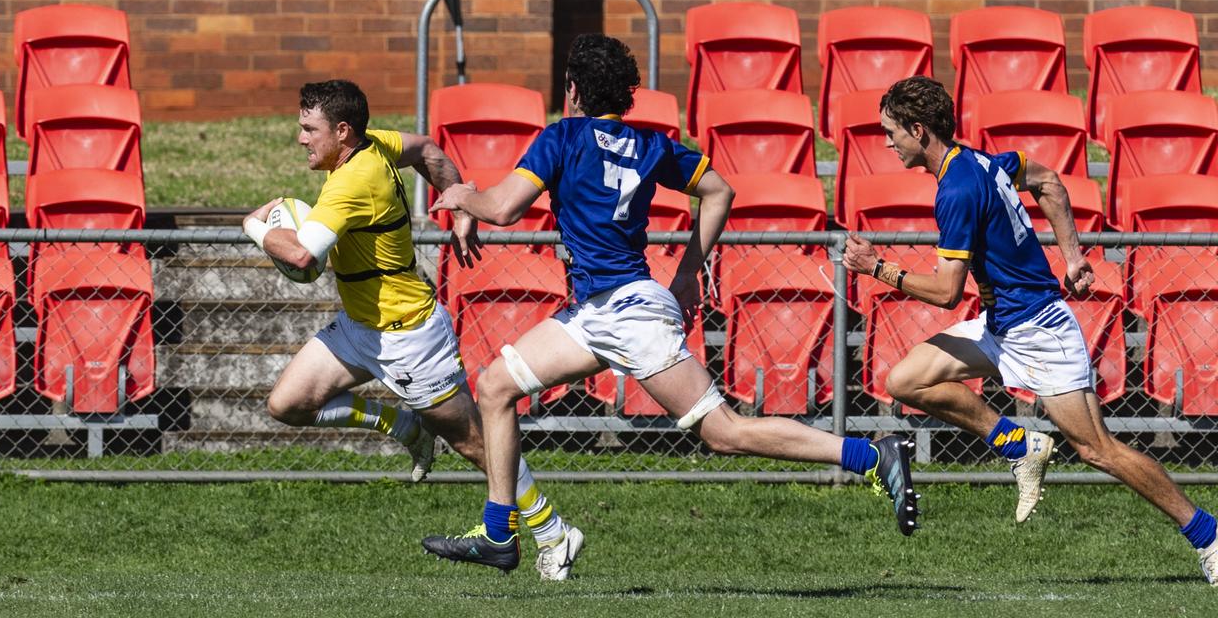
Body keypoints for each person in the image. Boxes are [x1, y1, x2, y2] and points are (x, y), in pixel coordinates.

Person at [421, 34, 920, 575]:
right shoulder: (650, 144)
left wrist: (458, 195)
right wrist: (686, 275)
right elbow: (721, 190)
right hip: (597, 314)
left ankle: (872, 456)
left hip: (629, 314)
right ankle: (501, 533)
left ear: (572, 90)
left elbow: (502, 208)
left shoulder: (562, 136)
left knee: (724, 433)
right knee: (495, 386)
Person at [841, 75, 1218, 584]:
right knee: (905, 380)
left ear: (918, 129)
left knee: (1096, 450)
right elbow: (1047, 180)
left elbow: (948, 292)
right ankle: (1020, 444)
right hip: (1003, 325)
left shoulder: (956, 189)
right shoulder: (984, 161)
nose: (887, 143)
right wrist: (1074, 259)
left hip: (1040, 331)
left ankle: (1206, 534)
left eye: (892, 132)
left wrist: (877, 268)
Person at [241, 79, 584, 580]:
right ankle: (403, 427)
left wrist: (253, 227)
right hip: (361, 326)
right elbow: (426, 147)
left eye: (308, 129)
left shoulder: (351, 183)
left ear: (341, 130)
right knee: (286, 404)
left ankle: (553, 531)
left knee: (473, 442)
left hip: (409, 337)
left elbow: (299, 253)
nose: (300, 139)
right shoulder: (375, 142)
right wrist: (460, 204)